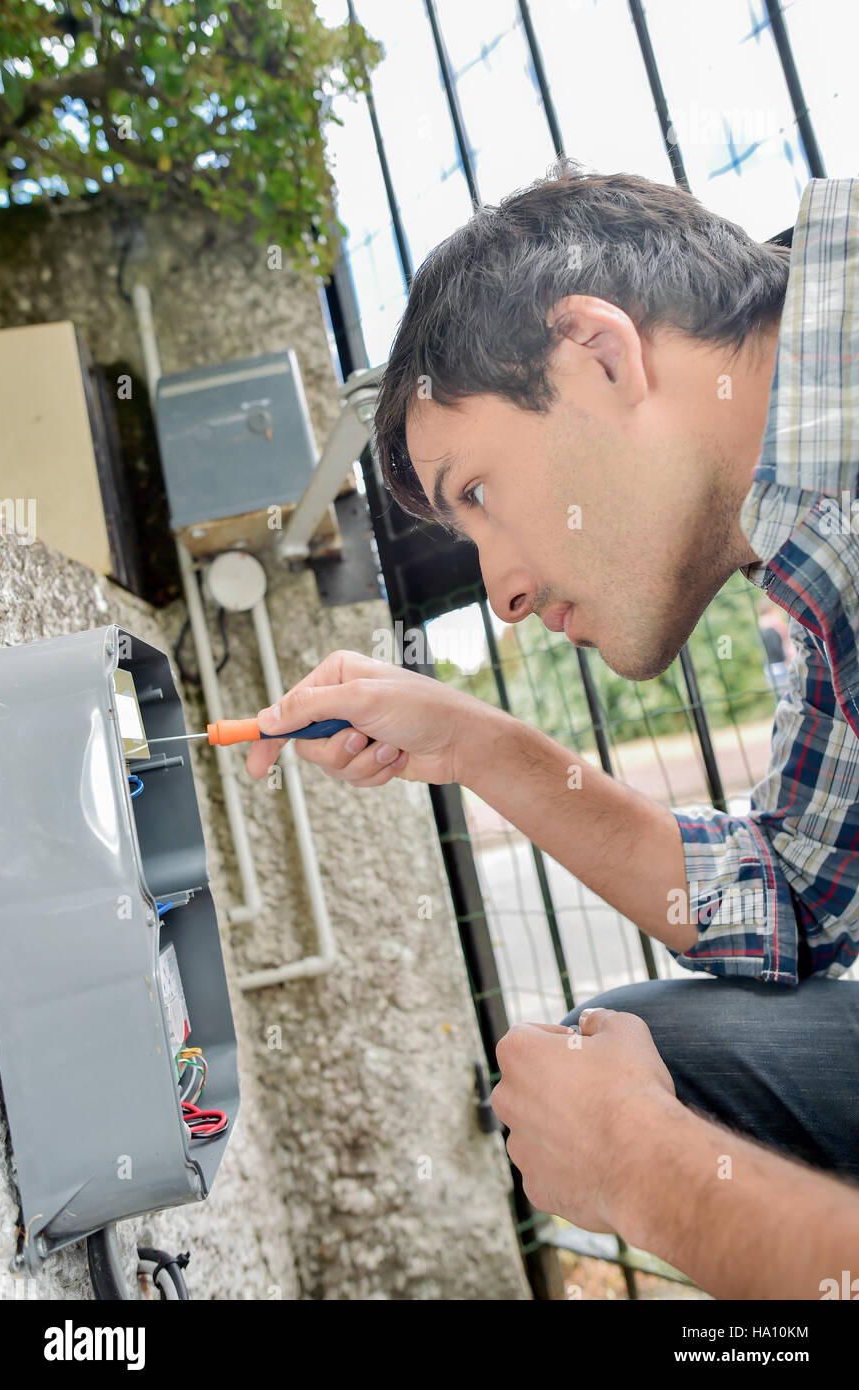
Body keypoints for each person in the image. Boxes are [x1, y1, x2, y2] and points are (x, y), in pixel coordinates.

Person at [246, 162, 859, 1299]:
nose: (502, 594)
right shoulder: (812, 546)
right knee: (649, 1056)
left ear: (598, 354)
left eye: (473, 490)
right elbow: (794, 897)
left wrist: (647, 1168)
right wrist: (470, 741)